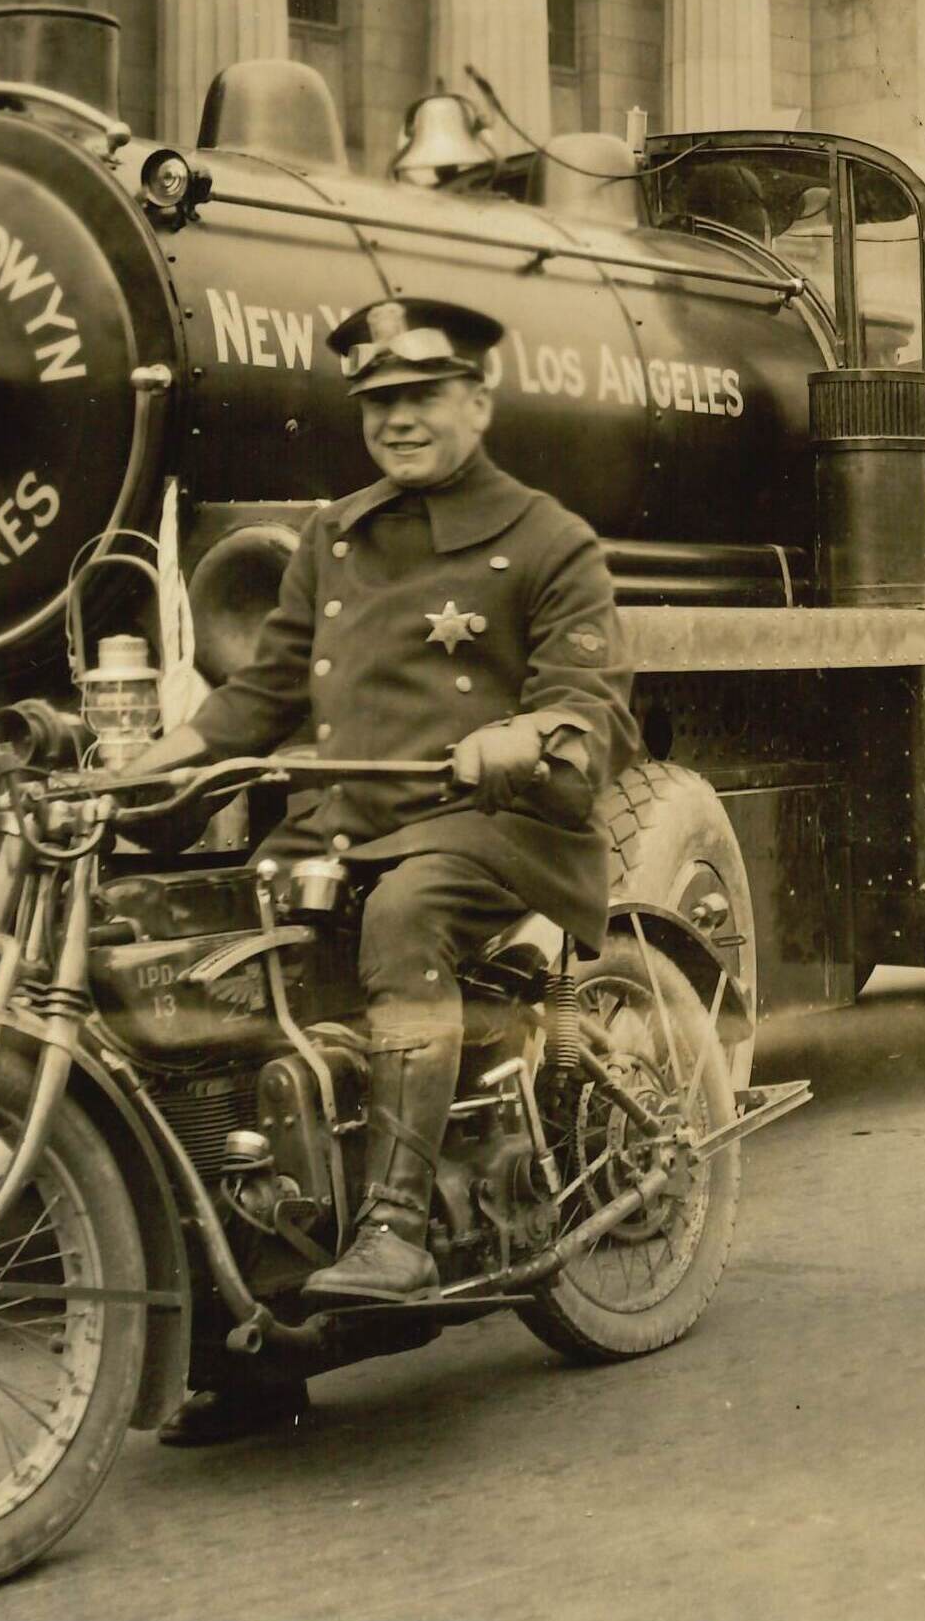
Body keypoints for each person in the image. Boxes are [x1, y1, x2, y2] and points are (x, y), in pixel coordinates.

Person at [127, 295, 634, 1313]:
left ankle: (395, 1223)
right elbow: (262, 694)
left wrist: (520, 738)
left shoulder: (549, 538)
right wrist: (146, 766)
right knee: (199, 956)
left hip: (488, 828)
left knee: (405, 917)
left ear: (479, 403)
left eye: (423, 397)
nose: (397, 420)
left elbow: (590, 705)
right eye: (377, 403)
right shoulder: (334, 537)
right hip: (342, 825)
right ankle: (248, 1297)